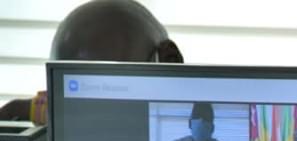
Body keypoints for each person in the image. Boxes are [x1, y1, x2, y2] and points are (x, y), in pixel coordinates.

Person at [0, 0, 184, 123]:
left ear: (170, 60)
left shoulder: (188, 120)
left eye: (111, 86)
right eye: (75, 88)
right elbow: (18, 110)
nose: (96, 116)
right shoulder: (63, 112)